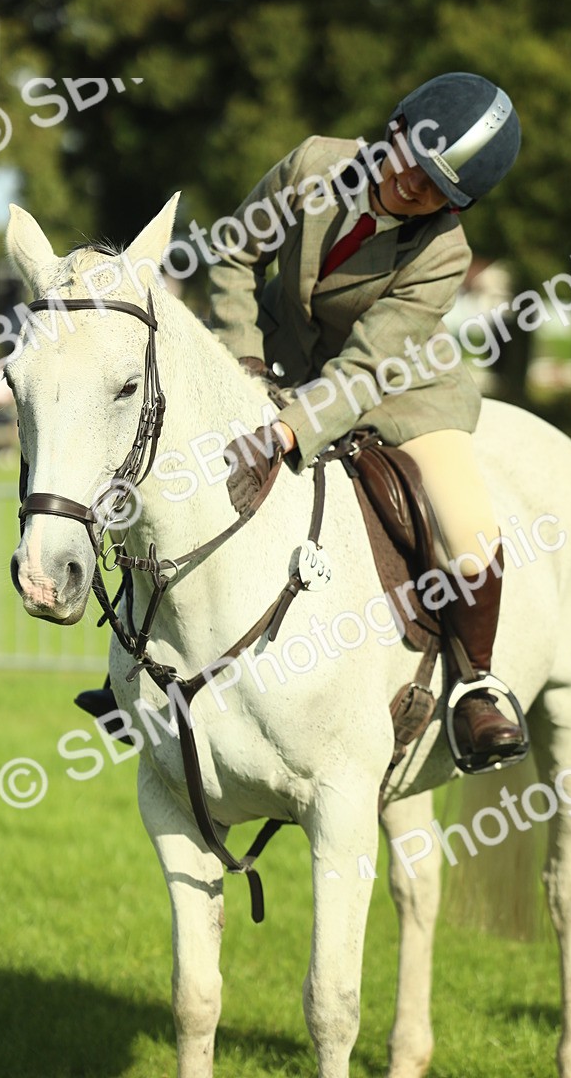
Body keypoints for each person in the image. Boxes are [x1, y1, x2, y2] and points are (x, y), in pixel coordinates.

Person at [210, 72, 525, 770]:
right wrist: (243, 362)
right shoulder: (312, 165)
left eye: (441, 188)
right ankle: (140, 665)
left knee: (468, 529)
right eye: (417, 159)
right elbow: (234, 254)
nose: (416, 186)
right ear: (398, 128)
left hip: (399, 392)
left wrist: (286, 431)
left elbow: (363, 368)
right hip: (274, 360)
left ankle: (478, 684)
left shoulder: (444, 251)